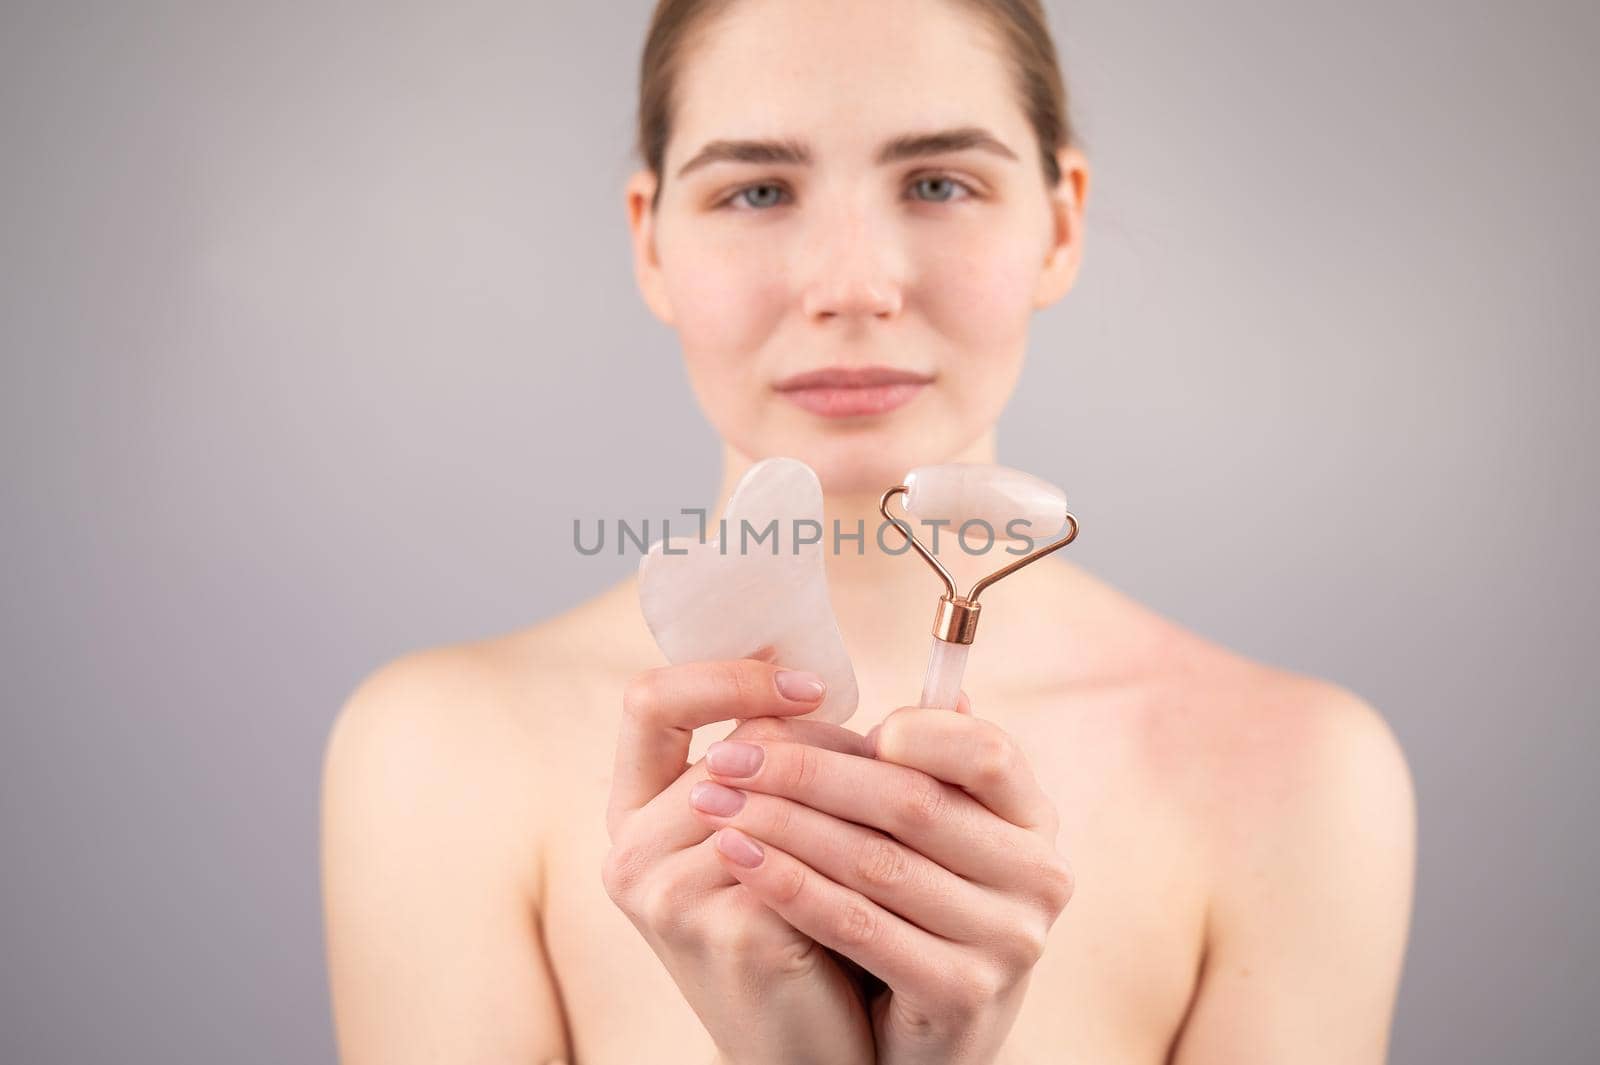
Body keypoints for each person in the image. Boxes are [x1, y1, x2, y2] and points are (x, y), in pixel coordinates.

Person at [320, 0, 1417, 1062]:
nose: (851, 286)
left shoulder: (1300, 782)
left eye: (939, 183)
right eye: (756, 192)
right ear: (650, 243)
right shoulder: (438, 759)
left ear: (1060, 220)